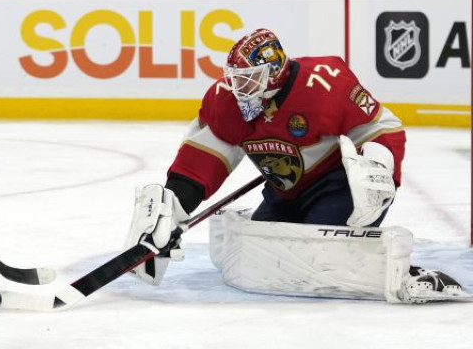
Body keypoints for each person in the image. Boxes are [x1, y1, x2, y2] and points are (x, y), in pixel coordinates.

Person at [123, 28, 464, 302]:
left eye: (249, 78)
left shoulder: (324, 83)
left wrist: (379, 168)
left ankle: (408, 273)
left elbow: (379, 126)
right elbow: (202, 161)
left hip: (335, 187)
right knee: (266, 257)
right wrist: (170, 211)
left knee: (321, 260)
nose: (238, 88)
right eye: (235, 78)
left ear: (273, 74)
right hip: (283, 194)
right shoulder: (225, 101)